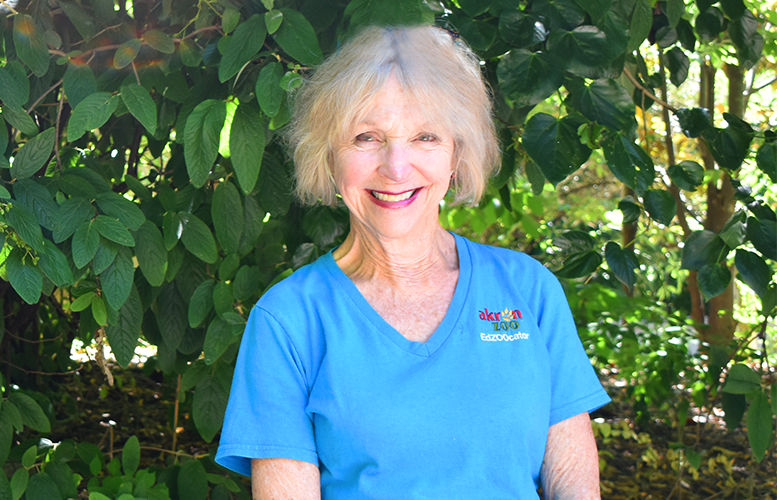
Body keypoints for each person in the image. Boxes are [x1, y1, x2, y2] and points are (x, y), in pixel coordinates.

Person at [213, 25, 610, 499]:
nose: (397, 167)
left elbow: (574, 486)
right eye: (366, 137)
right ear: (330, 157)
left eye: (425, 136)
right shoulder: (289, 319)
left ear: (456, 154)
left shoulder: (528, 290)